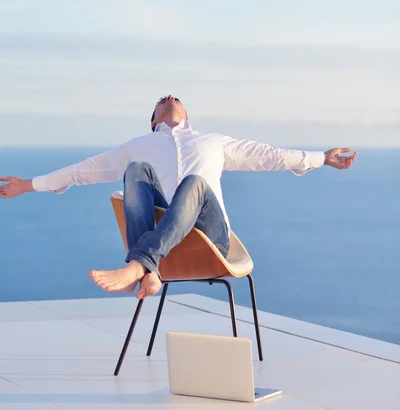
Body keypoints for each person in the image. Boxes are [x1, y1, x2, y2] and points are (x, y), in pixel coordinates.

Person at [0, 95, 358, 299]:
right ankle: (149, 268)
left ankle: (140, 266)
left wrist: (322, 158)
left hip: (210, 238)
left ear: (188, 116)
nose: (170, 97)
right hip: (167, 243)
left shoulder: (213, 141)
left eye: (176, 98)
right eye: (162, 100)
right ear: (153, 119)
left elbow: (270, 154)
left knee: (195, 183)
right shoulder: (138, 145)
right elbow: (83, 170)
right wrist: (28, 184)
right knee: (135, 170)